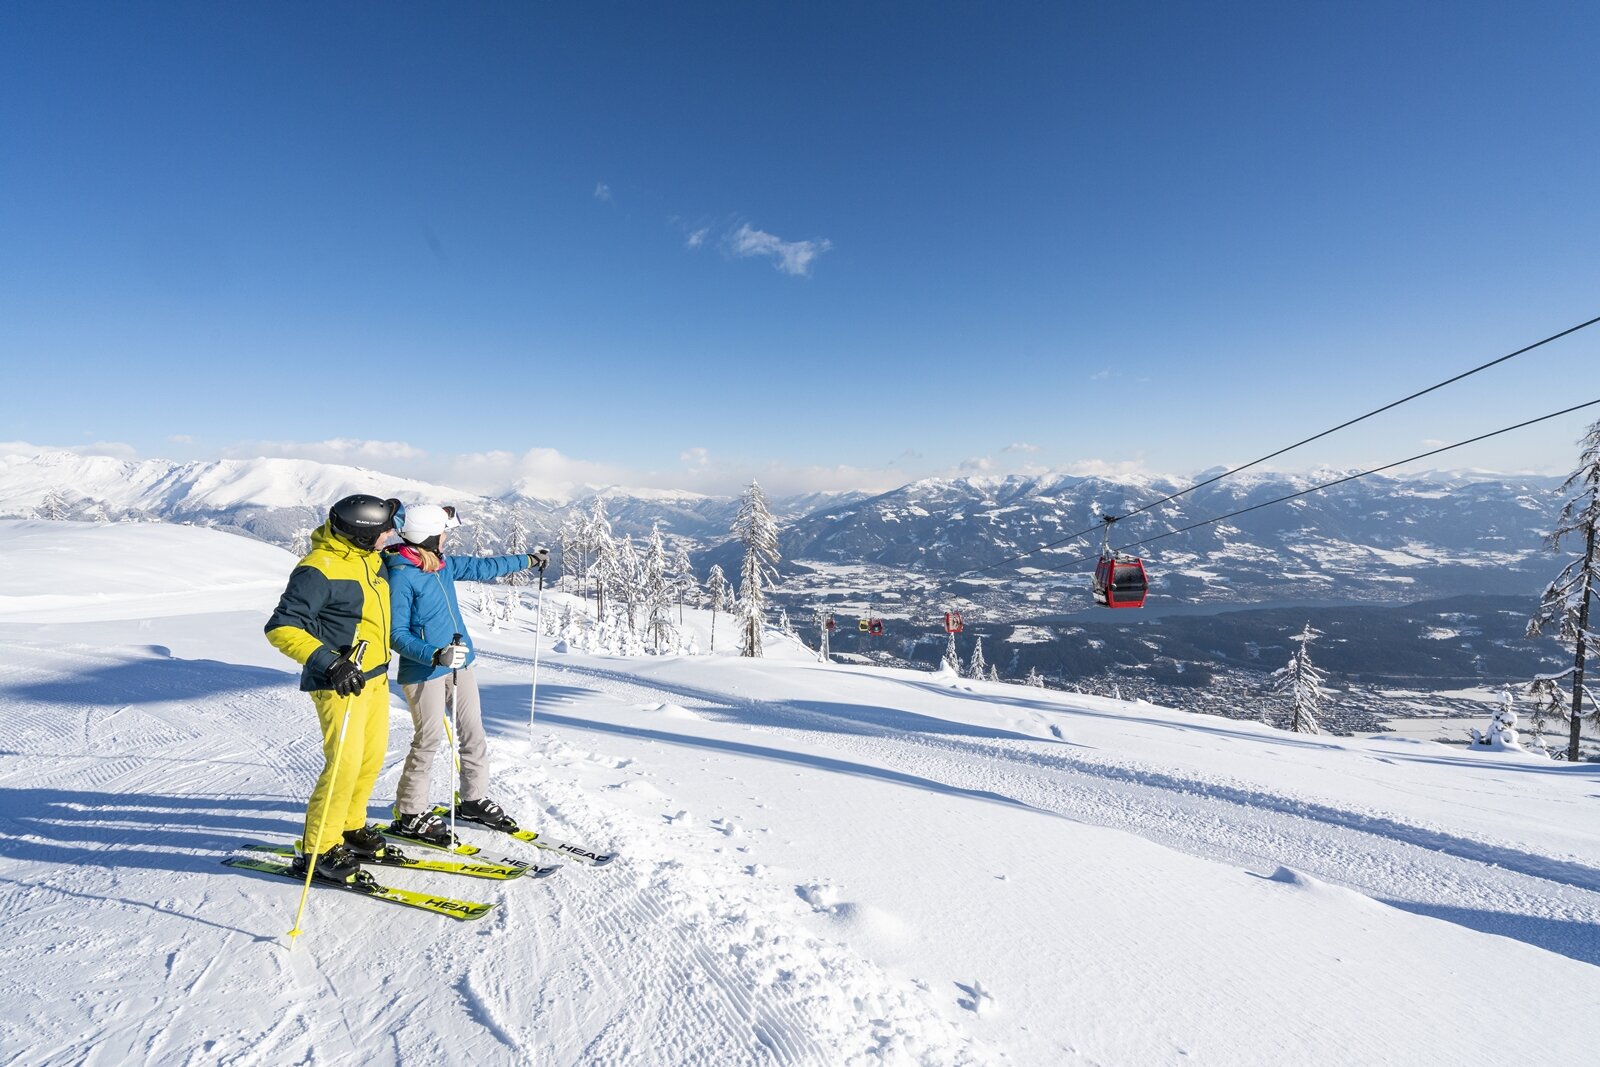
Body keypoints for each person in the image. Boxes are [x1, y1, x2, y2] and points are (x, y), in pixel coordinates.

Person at [383, 503, 548, 844]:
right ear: (428, 536)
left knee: (473, 733)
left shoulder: (442, 566)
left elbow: (484, 566)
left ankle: (473, 800)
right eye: (442, 532)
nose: (445, 537)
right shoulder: (401, 575)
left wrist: (529, 560)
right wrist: (435, 654)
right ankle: (411, 813)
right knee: (428, 741)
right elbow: (396, 634)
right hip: (423, 671)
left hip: (460, 664)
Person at [264, 494, 401, 883]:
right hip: (340, 684)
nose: (390, 534)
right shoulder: (318, 569)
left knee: (370, 759)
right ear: (360, 534)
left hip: (374, 678)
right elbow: (282, 627)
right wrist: (331, 663)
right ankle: (317, 850)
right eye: (382, 530)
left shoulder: (368, 558)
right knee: (343, 766)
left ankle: (351, 827)